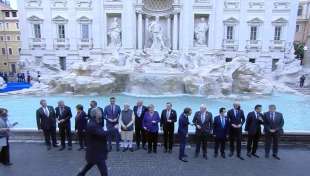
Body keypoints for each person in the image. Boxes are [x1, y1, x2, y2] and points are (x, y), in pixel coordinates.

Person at [77, 108, 108, 176]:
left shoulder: (96, 122)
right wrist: (113, 129)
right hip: (96, 152)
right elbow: (102, 134)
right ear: (96, 114)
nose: (101, 112)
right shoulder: (92, 125)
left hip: (94, 152)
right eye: (99, 112)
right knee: (104, 172)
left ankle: (80, 174)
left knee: (90, 164)